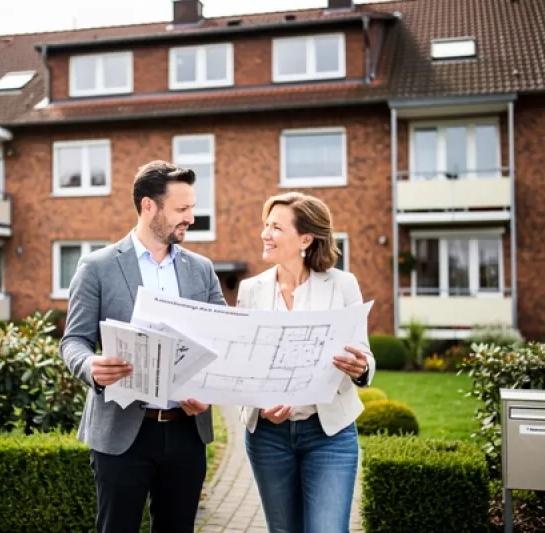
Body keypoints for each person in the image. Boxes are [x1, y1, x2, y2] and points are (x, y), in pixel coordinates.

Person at [60, 160, 226, 533]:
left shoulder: (202, 269)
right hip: (121, 432)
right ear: (148, 206)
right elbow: (74, 341)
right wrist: (91, 366)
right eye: (181, 209)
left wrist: (210, 391)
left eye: (191, 208)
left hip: (187, 432)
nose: (191, 218)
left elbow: (222, 340)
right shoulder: (97, 267)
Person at [236, 191, 376, 533]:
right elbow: (242, 366)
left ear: (305, 239)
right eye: (266, 225)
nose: (265, 234)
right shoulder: (251, 290)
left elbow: (364, 353)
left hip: (329, 434)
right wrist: (261, 403)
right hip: (268, 436)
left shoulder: (342, 285)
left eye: (276, 227)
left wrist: (361, 369)